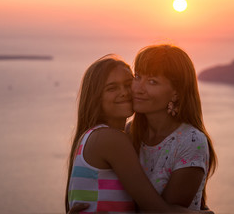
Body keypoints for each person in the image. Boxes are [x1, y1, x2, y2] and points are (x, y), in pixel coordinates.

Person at [65, 54, 196, 213]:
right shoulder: (111, 139)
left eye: (128, 84)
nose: (125, 92)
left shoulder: (95, 136)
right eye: (112, 88)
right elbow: (155, 209)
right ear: (95, 98)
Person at [130, 44, 217, 211]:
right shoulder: (130, 133)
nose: (138, 88)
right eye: (137, 76)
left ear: (176, 93)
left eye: (152, 81)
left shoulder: (190, 141)